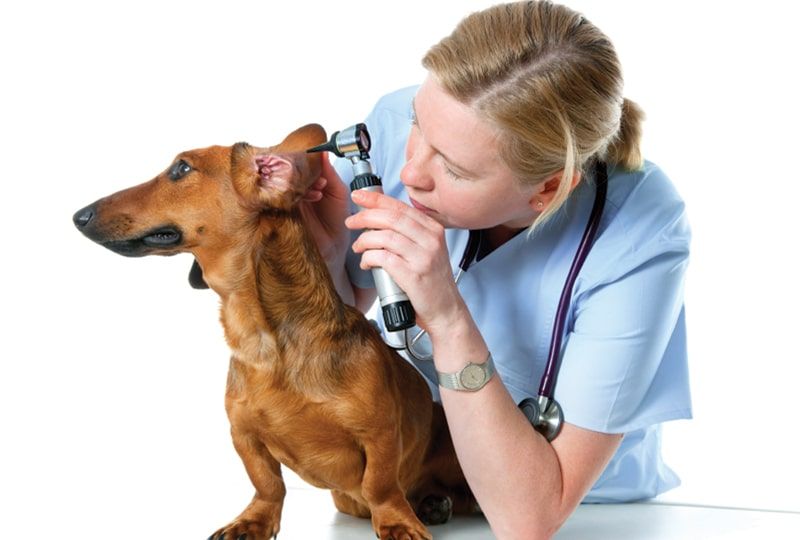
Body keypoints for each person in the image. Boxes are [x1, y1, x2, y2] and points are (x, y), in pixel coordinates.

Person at [300, 1, 691, 538]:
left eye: (454, 169)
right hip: (417, 483)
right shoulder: (402, 121)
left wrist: (448, 318)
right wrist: (322, 258)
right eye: (419, 123)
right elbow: (340, 330)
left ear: (549, 188)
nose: (411, 171)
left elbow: (528, 517)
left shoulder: (640, 229)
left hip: (590, 514)